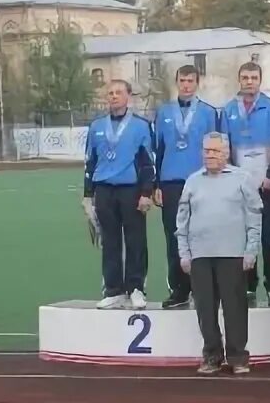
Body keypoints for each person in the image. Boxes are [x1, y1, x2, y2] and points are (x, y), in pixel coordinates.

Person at [176, 133, 262, 376]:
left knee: (235, 307)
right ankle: (212, 355)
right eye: (206, 151)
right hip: (200, 255)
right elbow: (182, 221)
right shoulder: (192, 181)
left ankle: (237, 357)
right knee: (205, 309)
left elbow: (254, 217)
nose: (209, 155)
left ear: (226, 153)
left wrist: (251, 250)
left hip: (233, 254)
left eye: (214, 151)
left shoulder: (242, 179)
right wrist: (184, 253)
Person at [82, 79, 155, 310]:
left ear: (128, 97)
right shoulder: (96, 127)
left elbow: (147, 162)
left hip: (130, 189)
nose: (114, 96)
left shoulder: (141, 126)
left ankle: (136, 288)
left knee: (135, 241)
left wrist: (146, 192)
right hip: (104, 189)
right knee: (110, 241)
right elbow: (90, 162)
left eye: (118, 92)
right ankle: (113, 290)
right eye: (110, 93)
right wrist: (87, 195)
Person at [222, 62, 270, 307]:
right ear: (239, 80)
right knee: (242, 236)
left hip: (267, 183)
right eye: (244, 77)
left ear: (260, 80)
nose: (249, 81)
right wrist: (230, 177)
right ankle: (247, 284)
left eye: (253, 77)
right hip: (239, 185)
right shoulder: (228, 110)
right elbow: (223, 146)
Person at [153, 65, 219, 309]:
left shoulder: (209, 113)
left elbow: (216, 149)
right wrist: (156, 184)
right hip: (170, 182)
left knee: (202, 234)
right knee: (175, 236)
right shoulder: (163, 112)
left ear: (197, 83)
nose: (186, 85)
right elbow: (158, 149)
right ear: (177, 82)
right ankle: (179, 289)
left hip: (201, 180)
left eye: (191, 80)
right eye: (182, 80)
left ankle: (203, 288)